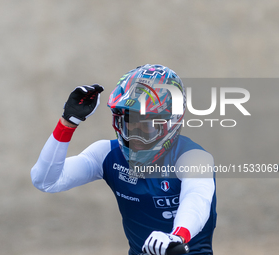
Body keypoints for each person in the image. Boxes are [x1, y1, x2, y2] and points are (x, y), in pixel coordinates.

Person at [31, 64, 217, 255]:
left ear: (170, 122)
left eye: (146, 127)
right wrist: (67, 123)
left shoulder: (194, 158)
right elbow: (45, 180)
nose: (135, 137)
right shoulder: (106, 154)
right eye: (128, 125)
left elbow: (197, 200)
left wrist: (176, 236)